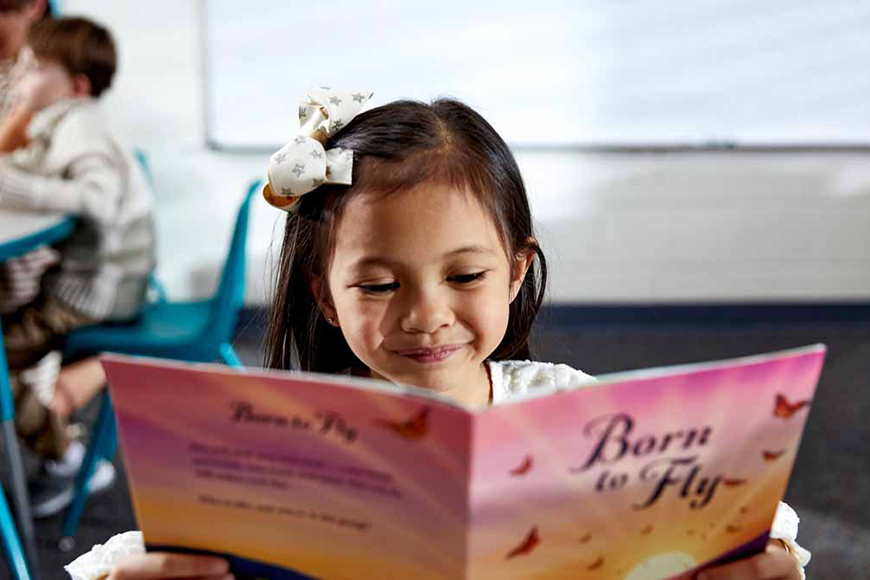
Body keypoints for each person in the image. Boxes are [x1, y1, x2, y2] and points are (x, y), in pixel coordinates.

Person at [68, 90, 807, 580]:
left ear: (516, 274)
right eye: (380, 285)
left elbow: (730, 506)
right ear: (324, 296)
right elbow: (136, 551)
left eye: (465, 277)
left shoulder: (573, 409)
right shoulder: (279, 439)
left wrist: (760, 550)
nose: (425, 316)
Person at [0, 16, 155, 518]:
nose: (22, 78)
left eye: (36, 68)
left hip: (92, 293)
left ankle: (64, 456)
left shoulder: (78, 126)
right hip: (100, 283)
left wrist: (15, 186)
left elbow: (100, 199)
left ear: (77, 85)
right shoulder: (69, 122)